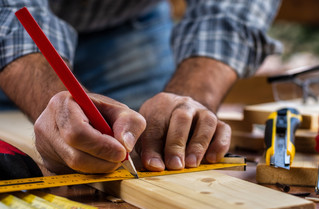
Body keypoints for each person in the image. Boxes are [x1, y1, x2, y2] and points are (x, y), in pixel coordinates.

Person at [0, 0, 282, 176]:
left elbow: (232, 7)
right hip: (13, 31)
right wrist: (49, 101)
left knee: (155, 138)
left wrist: (191, 98)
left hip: (132, 25)